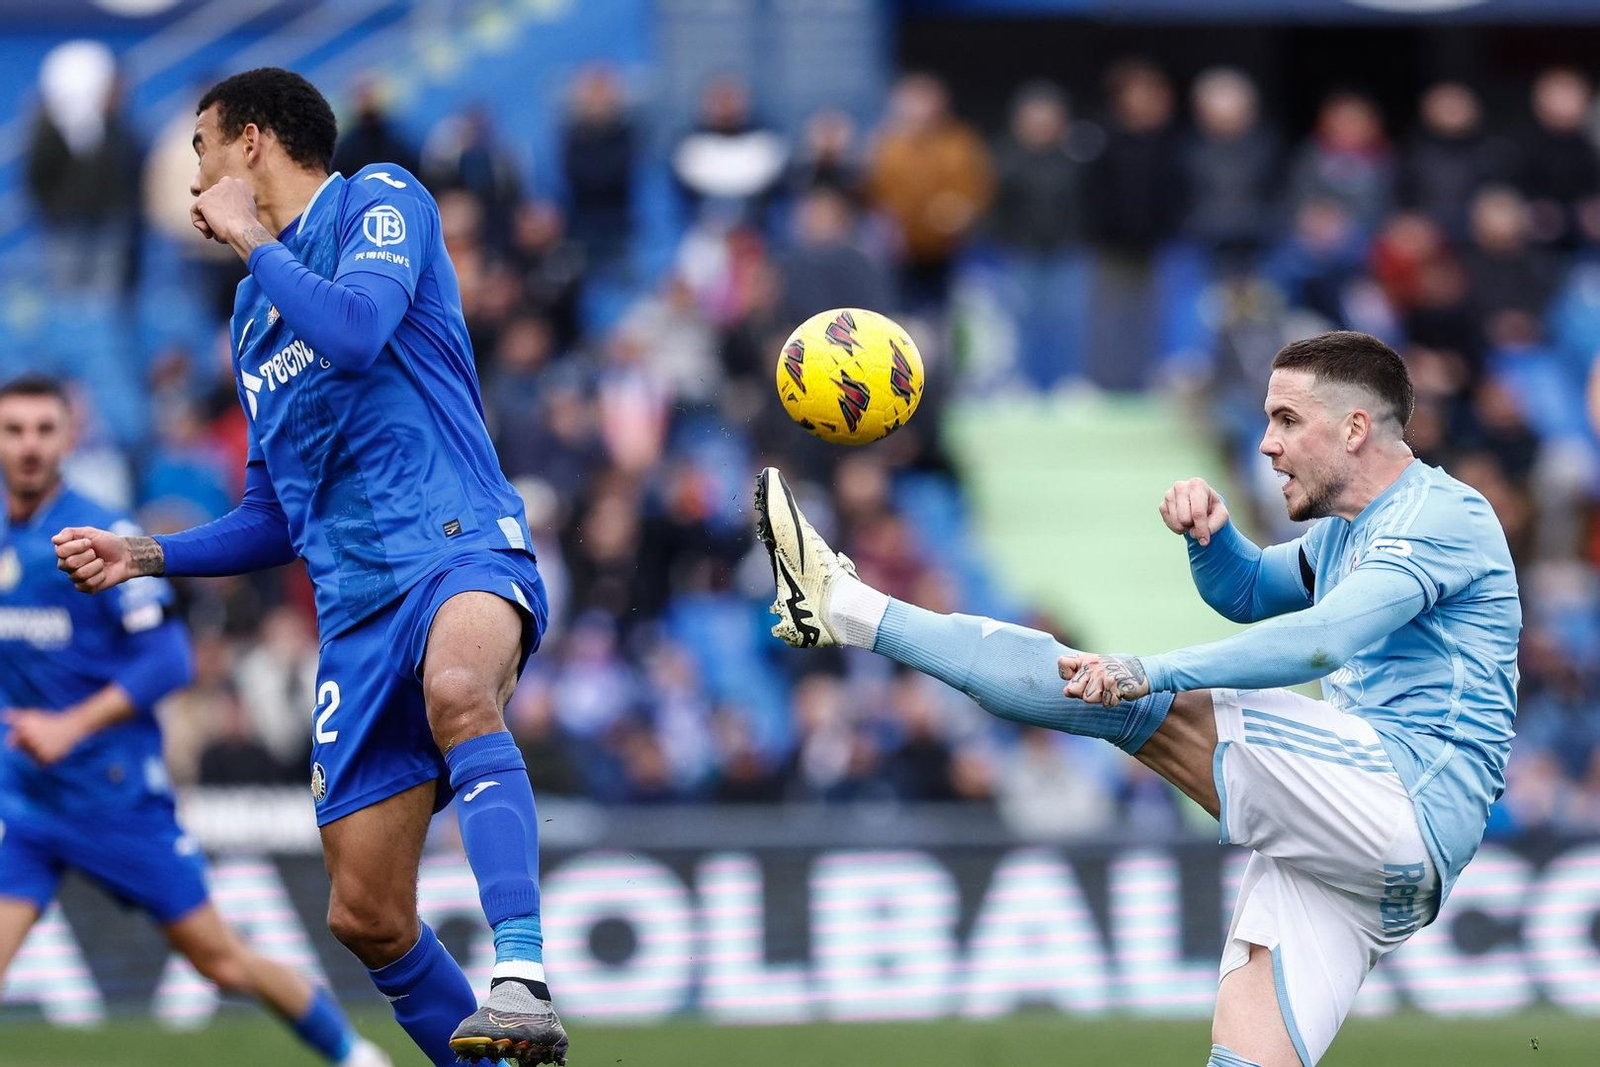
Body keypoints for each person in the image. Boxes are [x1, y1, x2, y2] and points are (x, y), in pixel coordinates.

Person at [754, 330, 1519, 1066]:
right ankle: (841, 607)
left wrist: (1153, 668)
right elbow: (1250, 591)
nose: (1266, 443)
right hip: (1368, 864)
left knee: (1127, 702)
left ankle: (846, 607)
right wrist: (1210, 541)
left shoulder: (1438, 518)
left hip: (1399, 798)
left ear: (1356, 428)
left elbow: (1321, 641)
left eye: (1286, 419)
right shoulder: (1345, 534)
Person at [51, 69, 563, 1066]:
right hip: (355, 614)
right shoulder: (249, 316)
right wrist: (146, 552)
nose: (191, 178)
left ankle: (522, 975)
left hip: (453, 545)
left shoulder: (380, 199)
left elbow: (360, 332)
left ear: (249, 143)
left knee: (461, 686)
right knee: (364, 914)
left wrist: (254, 236)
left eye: (199, 150)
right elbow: (272, 515)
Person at [0, 375, 387, 1067]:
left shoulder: (102, 535)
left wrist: (70, 726)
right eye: (13, 430)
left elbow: (170, 661)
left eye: (42, 429)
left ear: (68, 437)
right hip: (27, 800)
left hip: (112, 793)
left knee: (222, 961)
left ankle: (354, 1053)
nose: (28, 445)